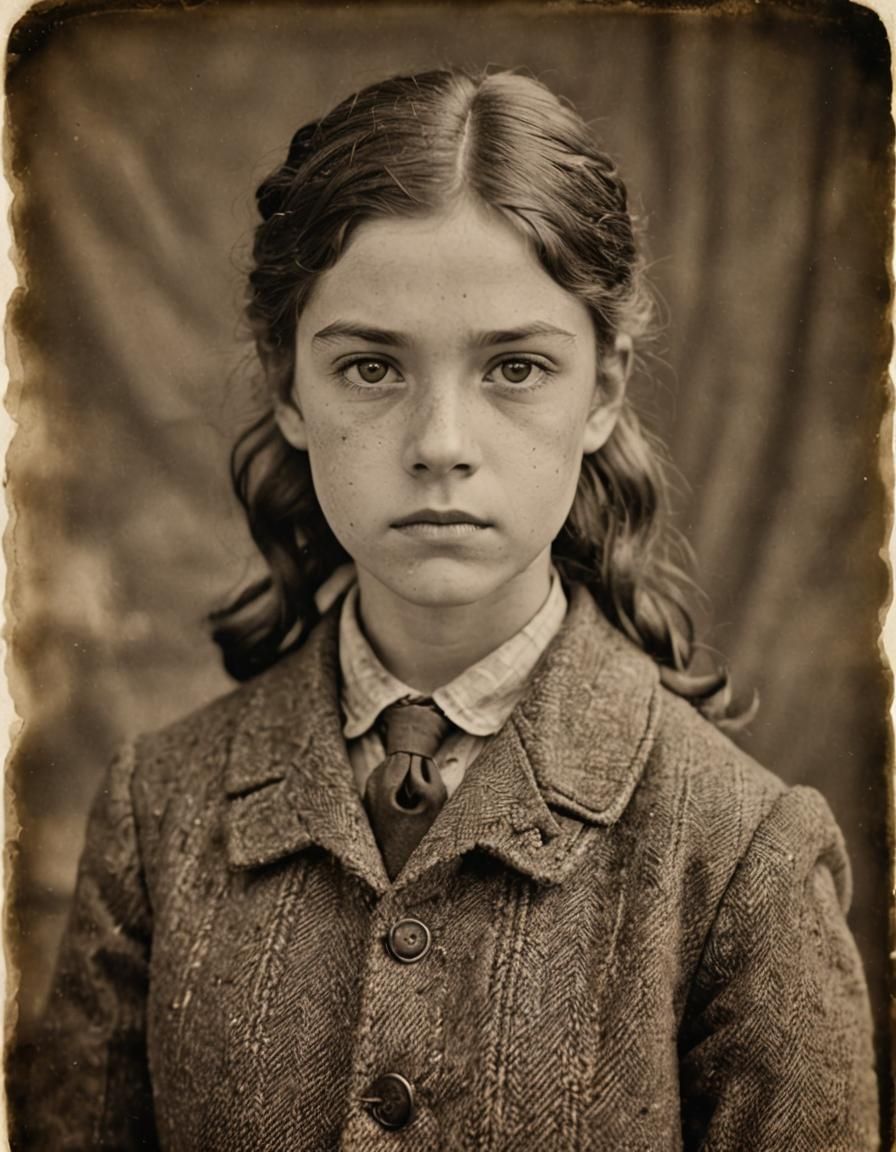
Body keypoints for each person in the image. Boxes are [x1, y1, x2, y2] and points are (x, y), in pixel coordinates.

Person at [27, 68, 878, 1150]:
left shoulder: (735, 855)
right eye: (372, 368)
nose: (440, 442)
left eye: (513, 368)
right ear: (288, 387)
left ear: (603, 390)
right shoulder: (160, 816)